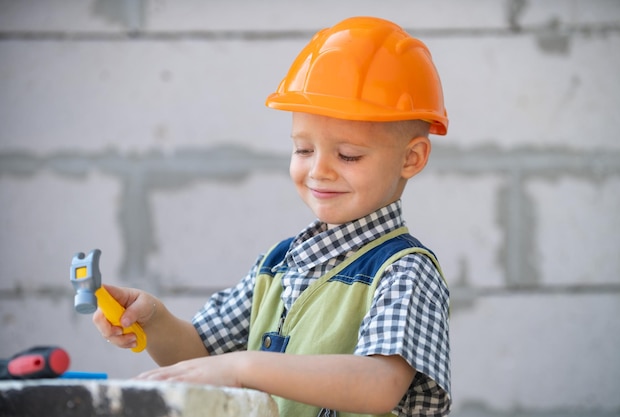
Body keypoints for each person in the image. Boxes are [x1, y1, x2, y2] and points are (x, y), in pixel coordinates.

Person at [94, 16, 451, 417]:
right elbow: (203, 355)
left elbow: (378, 385)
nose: (319, 170)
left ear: (411, 158)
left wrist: (244, 367)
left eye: (348, 155)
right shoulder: (279, 264)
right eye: (303, 149)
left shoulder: (404, 273)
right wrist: (155, 320)